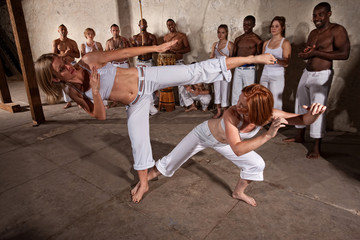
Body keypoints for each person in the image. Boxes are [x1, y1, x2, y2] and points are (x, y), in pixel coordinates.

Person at [34, 40, 277, 203]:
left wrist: (158, 47)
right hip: (135, 102)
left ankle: (254, 57)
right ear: (56, 80)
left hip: (146, 77)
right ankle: (144, 183)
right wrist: (96, 91)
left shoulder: (88, 60)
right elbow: (100, 115)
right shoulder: (77, 93)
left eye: (62, 60)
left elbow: (124, 53)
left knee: (195, 71)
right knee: (137, 139)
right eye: (61, 69)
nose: (68, 66)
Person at [132, 84, 327, 206]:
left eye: (244, 105)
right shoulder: (231, 114)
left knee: (257, 164)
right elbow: (238, 149)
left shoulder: (269, 115)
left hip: (226, 143)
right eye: (239, 101)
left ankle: (238, 192)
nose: (237, 106)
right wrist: (268, 135)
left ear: (259, 110)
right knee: (170, 162)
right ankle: (145, 182)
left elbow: (303, 119)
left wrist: (315, 113)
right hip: (204, 134)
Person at [283, 2, 350, 159]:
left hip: (322, 74)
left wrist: (317, 53)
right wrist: (306, 54)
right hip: (307, 72)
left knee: (317, 108)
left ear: (329, 14)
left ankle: (316, 147)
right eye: (314, 15)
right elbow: (310, 50)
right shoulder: (313, 33)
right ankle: (300, 135)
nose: (317, 18)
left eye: (320, 14)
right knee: (300, 103)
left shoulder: (337, 30)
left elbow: (344, 54)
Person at [259, 16, 291, 110]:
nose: (273, 28)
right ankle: (264, 122)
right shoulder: (266, 43)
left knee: (276, 102)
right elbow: (262, 59)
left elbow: (286, 63)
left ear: (282, 28)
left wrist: (275, 60)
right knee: (262, 99)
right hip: (265, 73)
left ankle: (277, 122)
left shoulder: (285, 43)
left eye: (276, 26)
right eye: (272, 26)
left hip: (277, 75)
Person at [232, 16, 262, 106]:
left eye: (249, 25)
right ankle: (234, 114)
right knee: (235, 93)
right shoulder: (238, 39)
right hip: (238, 69)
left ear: (253, 25)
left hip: (250, 69)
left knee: (250, 93)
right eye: (244, 24)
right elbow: (233, 56)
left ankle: (250, 115)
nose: (246, 27)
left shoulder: (257, 40)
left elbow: (260, 57)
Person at [130, 19, 158, 115]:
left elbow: (156, 50)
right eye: (141, 24)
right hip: (139, 62)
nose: (142, 25)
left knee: (149, 83)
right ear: (138, 25)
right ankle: (143, 105)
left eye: (144, 23)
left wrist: (146, 48)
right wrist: (138, 48)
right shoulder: (135, 37)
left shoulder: (151, 36)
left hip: (149, 62)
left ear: (147, 25)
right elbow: (132, 51)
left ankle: (152, 104)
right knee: (140, 84)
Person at [163, 19, 191, 108]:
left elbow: (188, 49)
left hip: (179, 62)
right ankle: (167, 104)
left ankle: (185, 104)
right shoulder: (166, 37)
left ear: (175, 25)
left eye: (171, 24)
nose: (170, 26)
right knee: (166, 84)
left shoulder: (182, 36)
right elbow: (164, 50)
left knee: (182, 84)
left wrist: (177, 51)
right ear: (167, 26)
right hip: (169, 63)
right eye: (168, 25)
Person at [52, 24, 80, 109]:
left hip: (72, 63)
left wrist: (69, 53)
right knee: (64, 84)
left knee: (76, 82)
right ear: (58, 31)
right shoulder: (56, 42)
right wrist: (64, 54)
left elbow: (78, 55)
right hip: (62, 65)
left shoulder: (72, 42)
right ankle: (68, 102)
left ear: (67, 31)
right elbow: (53, 55)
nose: (63, 31)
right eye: (61, 29)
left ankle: (79, 101)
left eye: (65, 30)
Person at [210, 24, 234, 118]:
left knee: (225, 90)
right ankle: (218, 111)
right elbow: (212, 56)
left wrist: (220, 52)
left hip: (226, 69)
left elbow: (231, 59)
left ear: (226, 33)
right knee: (217, 90)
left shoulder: (230, 44)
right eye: (219, 32)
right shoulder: (215, 44)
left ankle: (225, 112)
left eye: (222, 32)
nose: (220, 35)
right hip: (216, 69)